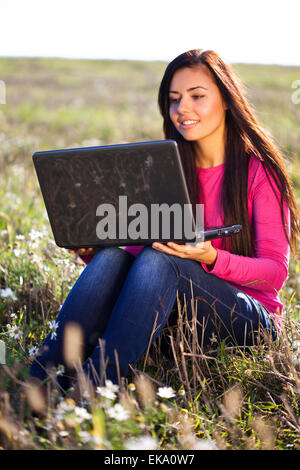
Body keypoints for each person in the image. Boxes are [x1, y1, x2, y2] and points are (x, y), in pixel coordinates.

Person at [29, 49, 300, 393]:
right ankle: (42, 375)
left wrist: (211, 258)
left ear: (227, 101)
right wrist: (91, 250)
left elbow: (275, 273)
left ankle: (95, 387)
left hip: (250, 321)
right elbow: (133, 252)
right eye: (174, 100)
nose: (182, 109)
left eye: (197, 96)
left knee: (162, 259)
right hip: (179, 312)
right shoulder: (164, 166)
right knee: (117, 254)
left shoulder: (259, 172)